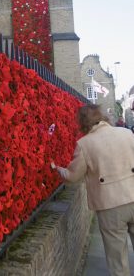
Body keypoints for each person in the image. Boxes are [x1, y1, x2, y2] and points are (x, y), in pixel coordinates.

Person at [54, 104, 134, 276]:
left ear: (83, 123)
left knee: (118, 260)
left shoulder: (85, 144)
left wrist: (58, 169)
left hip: (110, 206)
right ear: (103, 117)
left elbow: (73, 176)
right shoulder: (127, 134)